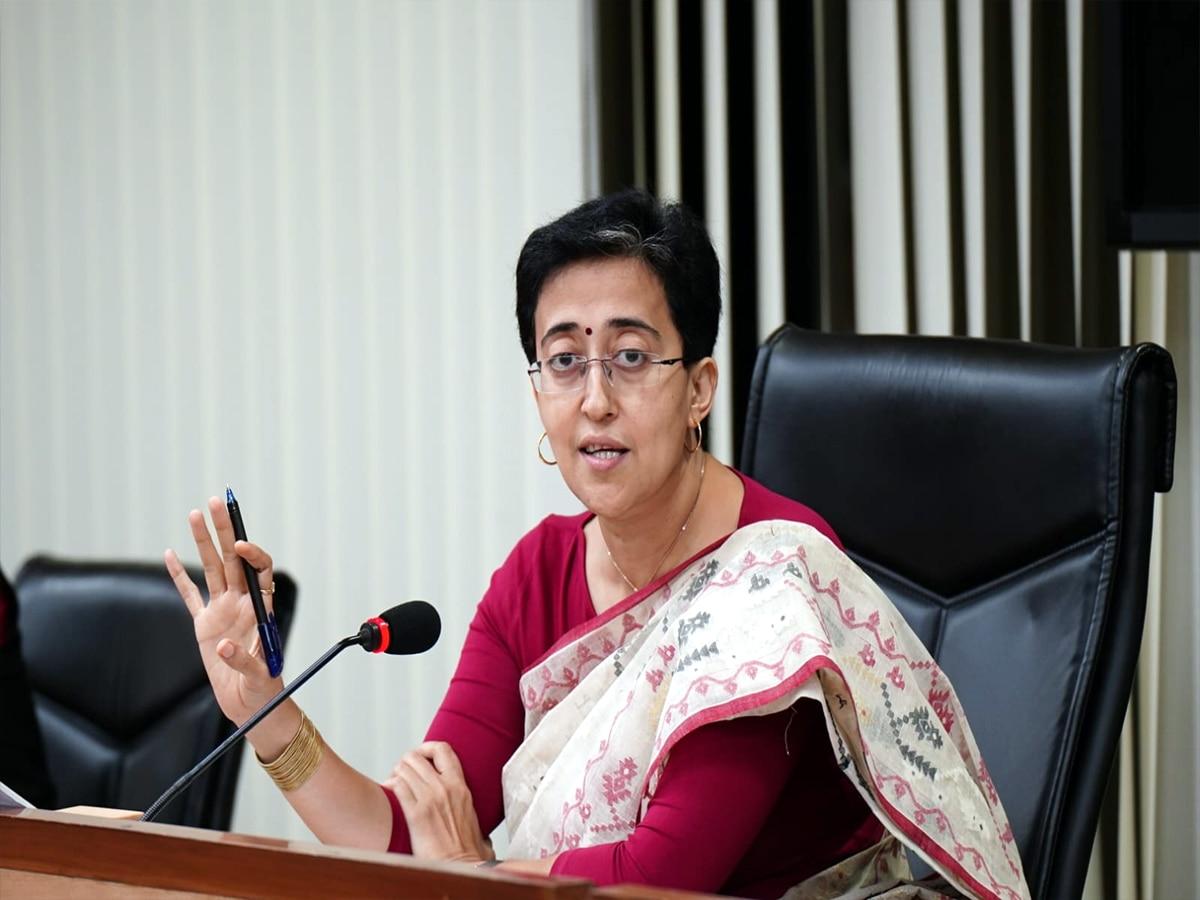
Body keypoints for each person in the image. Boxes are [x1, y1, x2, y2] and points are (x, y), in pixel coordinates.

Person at [166, 191, 1028, 899]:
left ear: (699, 388)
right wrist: (264, 712)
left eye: (630, 356)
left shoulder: (772, 580)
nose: (595, 400)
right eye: (565, 361)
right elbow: (406, 836)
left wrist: (473, 874)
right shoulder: (536, 573)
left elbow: (661, 879)